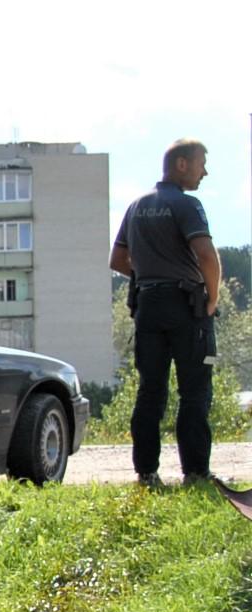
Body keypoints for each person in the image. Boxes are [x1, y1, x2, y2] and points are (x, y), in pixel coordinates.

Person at [109, 138, 219, 487]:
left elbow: (117, 261)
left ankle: (146, 473)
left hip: (148, 309)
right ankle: (196, 472)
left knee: (150, 391)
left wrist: (149, 276)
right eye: (202, 163)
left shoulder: (136, 206)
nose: (206, 171)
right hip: (187, 308)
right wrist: (212, 297)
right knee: (195, 391)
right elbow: (206, 256)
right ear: (182, 164)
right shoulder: (187, 205)